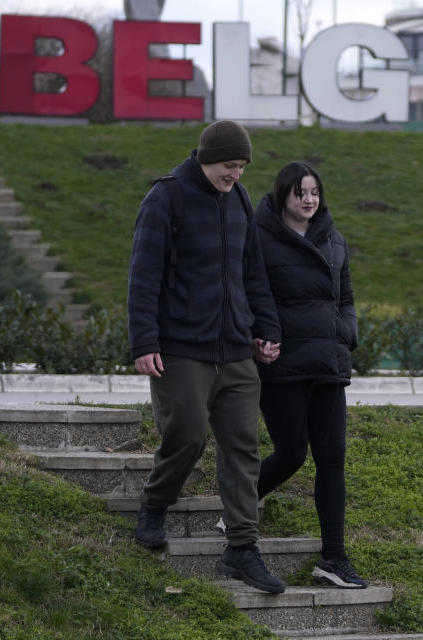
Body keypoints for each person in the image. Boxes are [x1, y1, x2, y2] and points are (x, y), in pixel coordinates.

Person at [127, 120, 285, 594]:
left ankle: (241, 547)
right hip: (181, 347)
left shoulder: (238, 200)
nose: (235, 174)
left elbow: (252, 273)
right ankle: (156, 503)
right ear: (204, 157)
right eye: (228, 165)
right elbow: (144, 274)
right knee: (188, 435)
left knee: (242, 447)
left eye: (241, 166)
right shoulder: (167, 198)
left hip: (236, 348)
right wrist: (144, 341)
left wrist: (266, 329)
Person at [251, 161, 367, 588]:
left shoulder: (333, 239)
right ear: (284, 194)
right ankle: (239, 510)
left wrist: (346, 332)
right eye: (301, 191)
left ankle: (333, 559)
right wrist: (257, 338)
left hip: (329, 364)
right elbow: (250, 292)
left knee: (332, 459)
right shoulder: (259, 236)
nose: (309, 199)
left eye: (315, 191)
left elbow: (347, 296)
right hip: (282, 364)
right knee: (291, 454)